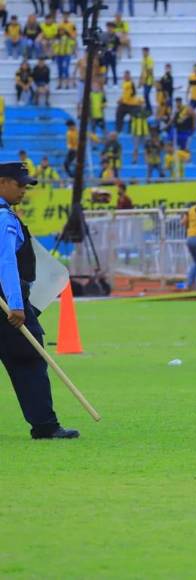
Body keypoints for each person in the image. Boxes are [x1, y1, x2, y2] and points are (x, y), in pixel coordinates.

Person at [0, 162, 80, 440]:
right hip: (8, 304)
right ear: (2, 183)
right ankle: (45, 425)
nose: (24, 190)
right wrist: (17, 305)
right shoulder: (3, 218)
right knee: (29, 361)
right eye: (19, 184)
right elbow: (6, 262)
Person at [140, 47, 154, 112]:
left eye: (145, 51)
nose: (144, 53)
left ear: (148, 52)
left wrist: (145, 79)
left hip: (149, 80)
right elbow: (142, 71)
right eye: (143, 51)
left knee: (146, 94)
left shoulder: (150, 60)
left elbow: (150, 71)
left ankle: (149, 108)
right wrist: (140, 81)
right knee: (145, 95)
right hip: (144, 80)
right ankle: (148, 108)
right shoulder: (142, 60)